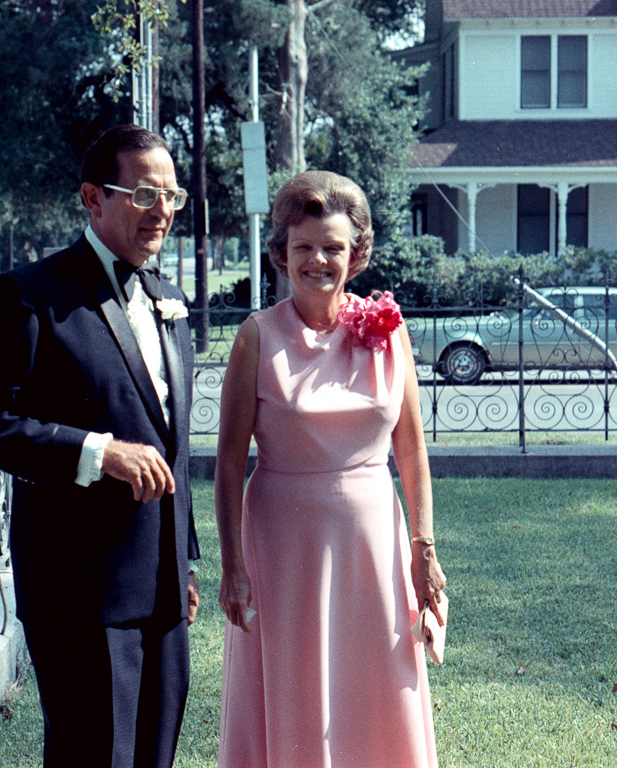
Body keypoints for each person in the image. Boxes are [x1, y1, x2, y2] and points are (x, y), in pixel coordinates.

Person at [0, 124, 200, 768]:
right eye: (146, 195)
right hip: (79, 591)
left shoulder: (169, 300)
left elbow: (170, 443)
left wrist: (186, 560)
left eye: (173, 197)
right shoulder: (32, 296)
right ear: (93, 199)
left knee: (155, 756)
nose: (164, 213)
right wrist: (98, 453)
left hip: (162, 588)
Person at [215, 170, 446, 767]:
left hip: (373, 542)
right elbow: (230, 460)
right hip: (282, 542)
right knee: (294, 685)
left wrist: (423, 549)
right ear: (282, 253)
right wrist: (232, 565)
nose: (318, 260)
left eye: (334, 247)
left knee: (376, 682)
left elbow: (412, 452)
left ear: (357, 254)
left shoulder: (390, 336)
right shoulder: (256, 337)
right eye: (304, 247)